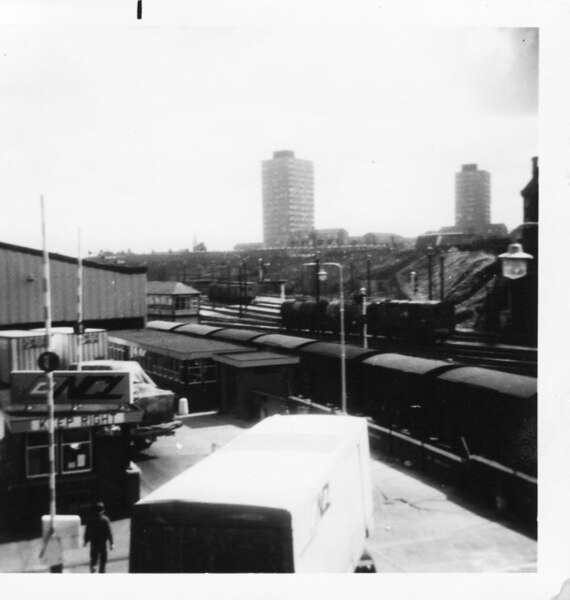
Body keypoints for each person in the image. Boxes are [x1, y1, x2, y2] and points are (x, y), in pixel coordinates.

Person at [84, 502, 114, 573]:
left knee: (93, 558)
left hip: (94, 543)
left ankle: (93, 567)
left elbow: (87, 532)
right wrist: (111, 543)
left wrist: (85, 541)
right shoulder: (105, 520)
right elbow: (109, 533)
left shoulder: (90, 520)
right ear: (103, 510)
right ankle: (101, 572)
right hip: (103, 543)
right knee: (103, 561)